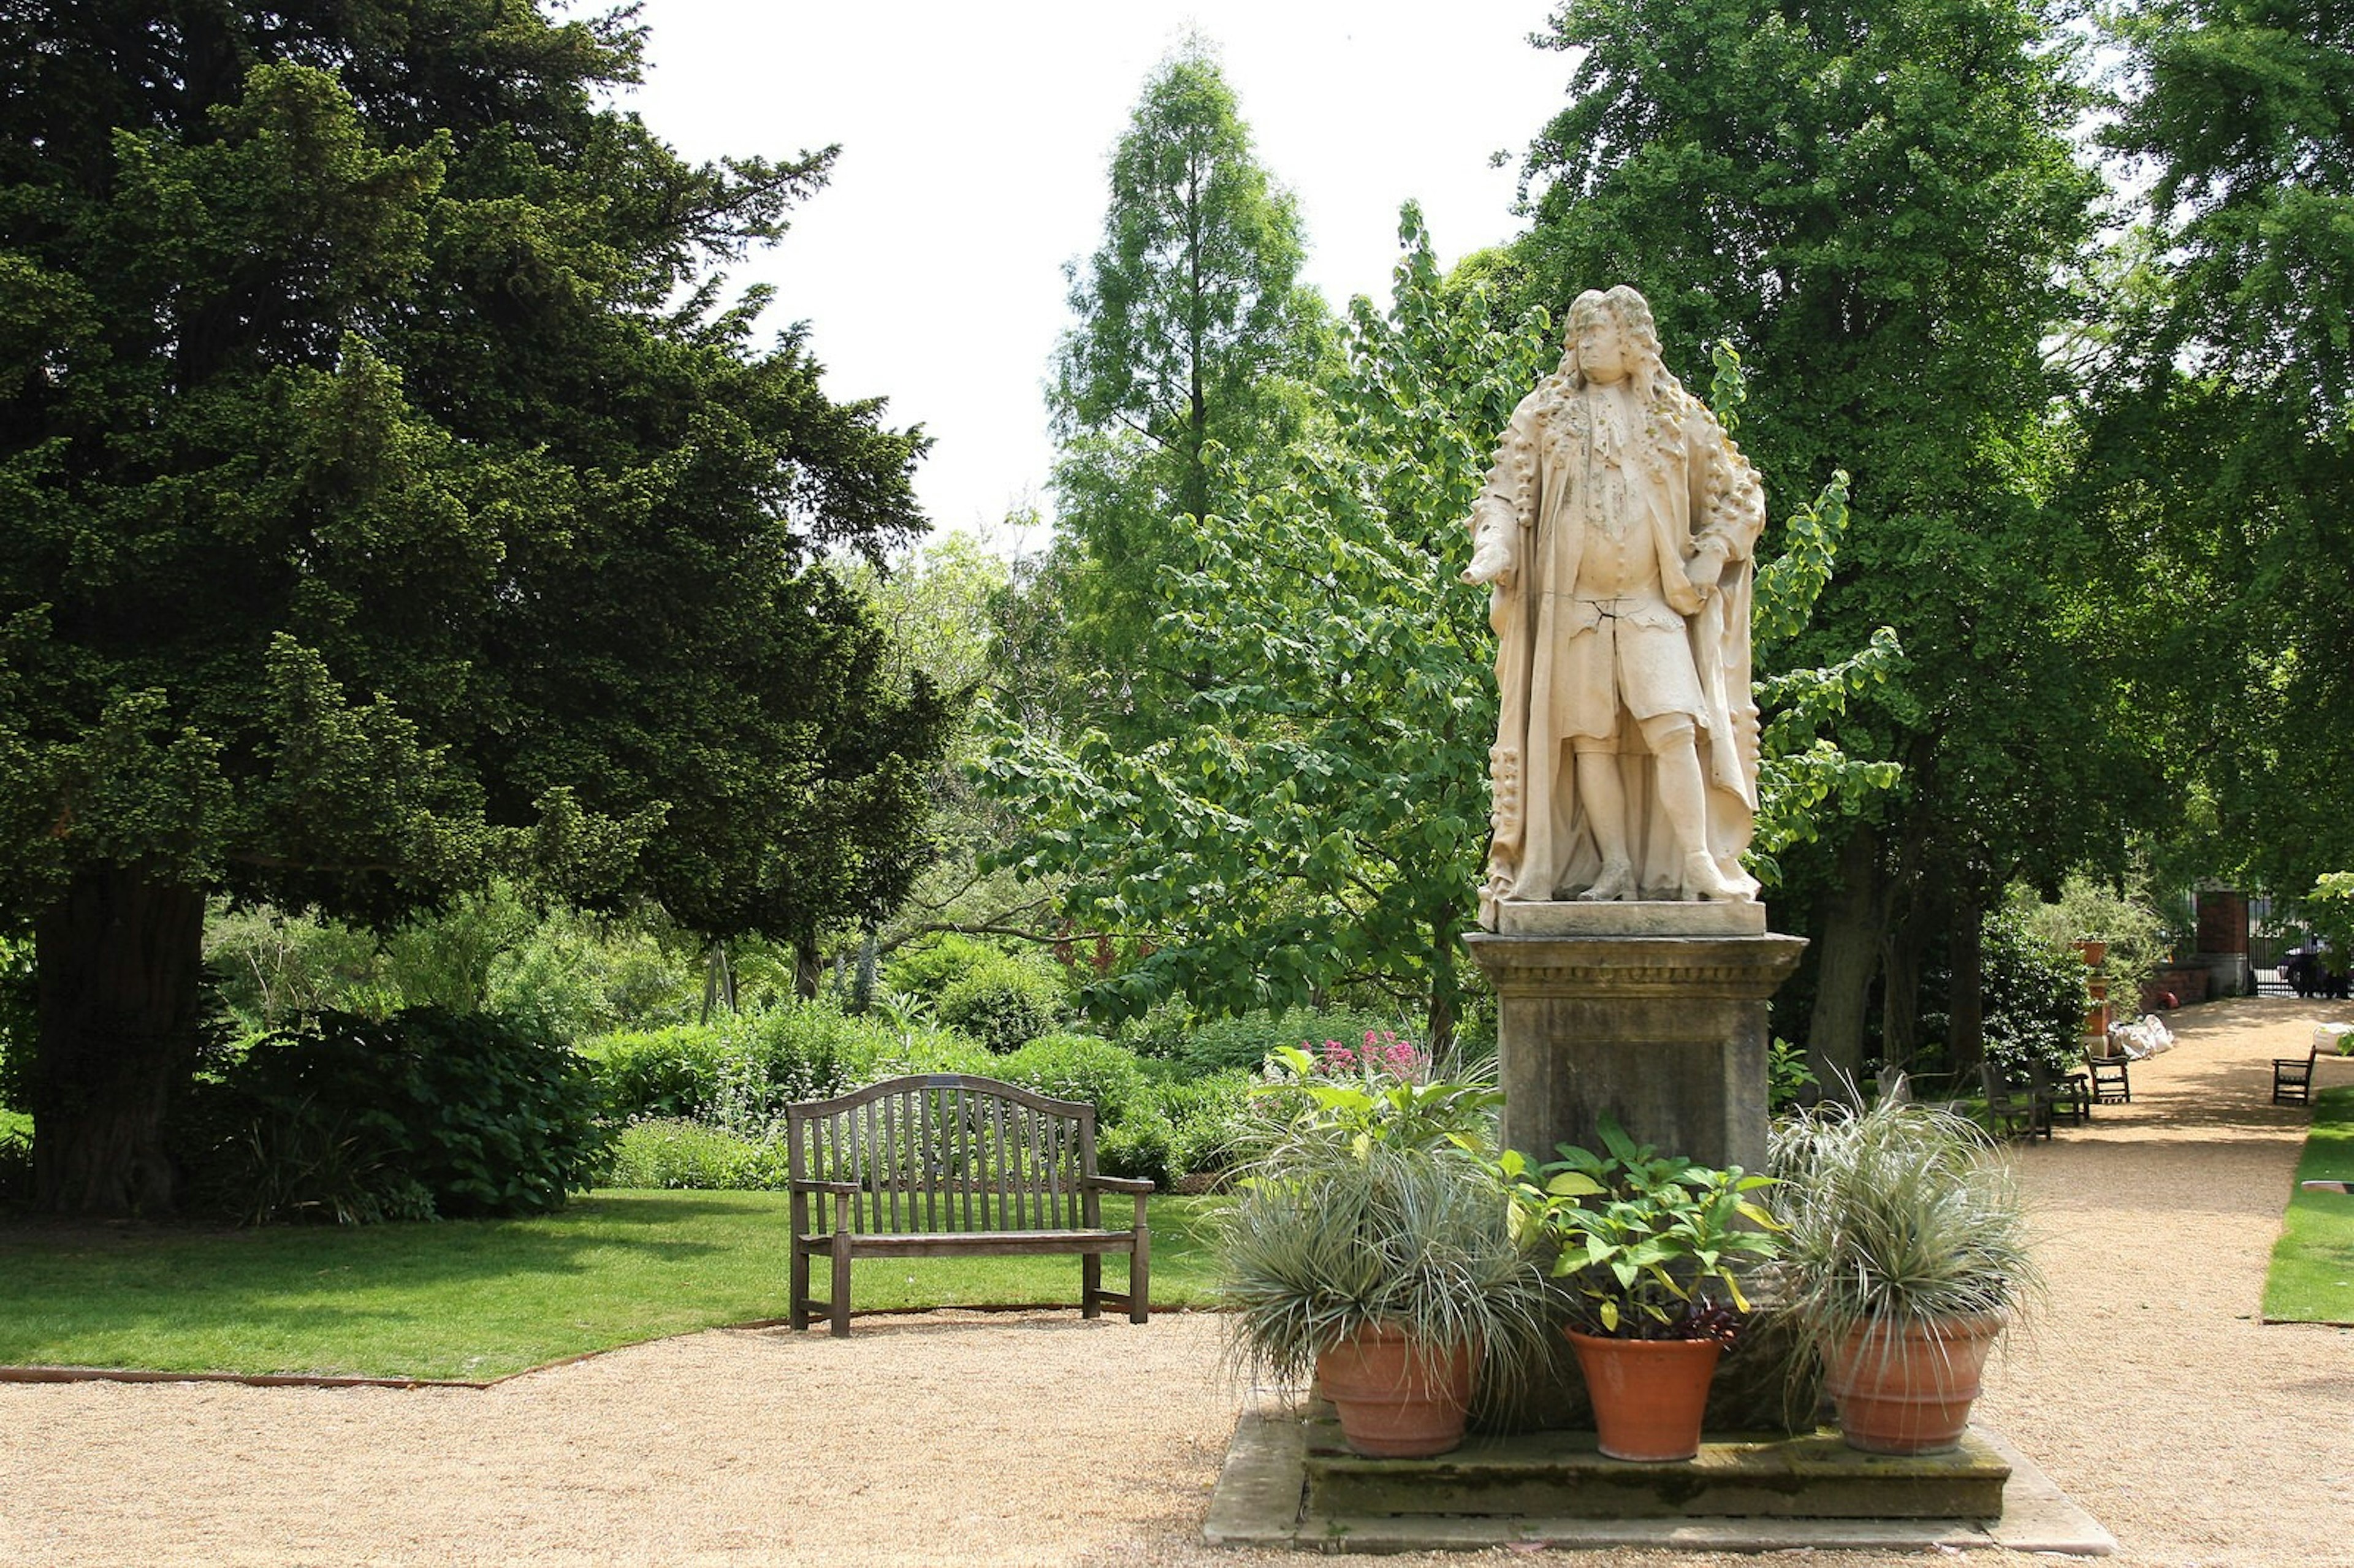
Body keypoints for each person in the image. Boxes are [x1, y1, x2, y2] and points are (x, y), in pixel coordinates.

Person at [1463, 285, 1766, 925]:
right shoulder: (1542, 412)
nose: (1583, 344)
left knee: (1674, 726)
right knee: (1591, 739)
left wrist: (1711, 555)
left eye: (1595, 332)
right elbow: (1499, 492)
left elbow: (1741, 494)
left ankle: (1697, 859)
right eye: (1577, 335)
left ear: (1630, 338)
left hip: (1653, 603)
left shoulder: (1675, 413)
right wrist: (1496, 546)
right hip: (1575, 611)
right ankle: (1616, 863)